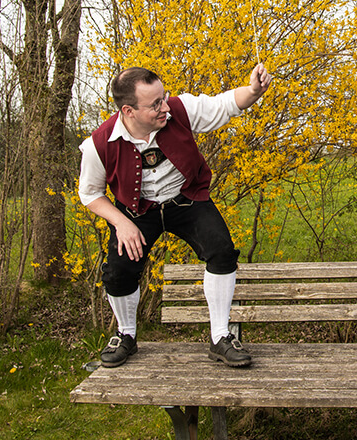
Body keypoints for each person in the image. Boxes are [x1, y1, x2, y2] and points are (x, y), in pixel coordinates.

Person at [78, 64, 272, 368]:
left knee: (221, 251)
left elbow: (225, 104)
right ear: (128, 111)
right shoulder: (98, 144)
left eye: (164, 97)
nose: (165, 107)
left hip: (186, 200)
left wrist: (254, 91)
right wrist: (121, 222)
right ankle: (126, 334)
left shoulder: (179, 111)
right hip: (136, 211)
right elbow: (90, 193)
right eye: (155, 104)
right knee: (117, 272)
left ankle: (220, 337)